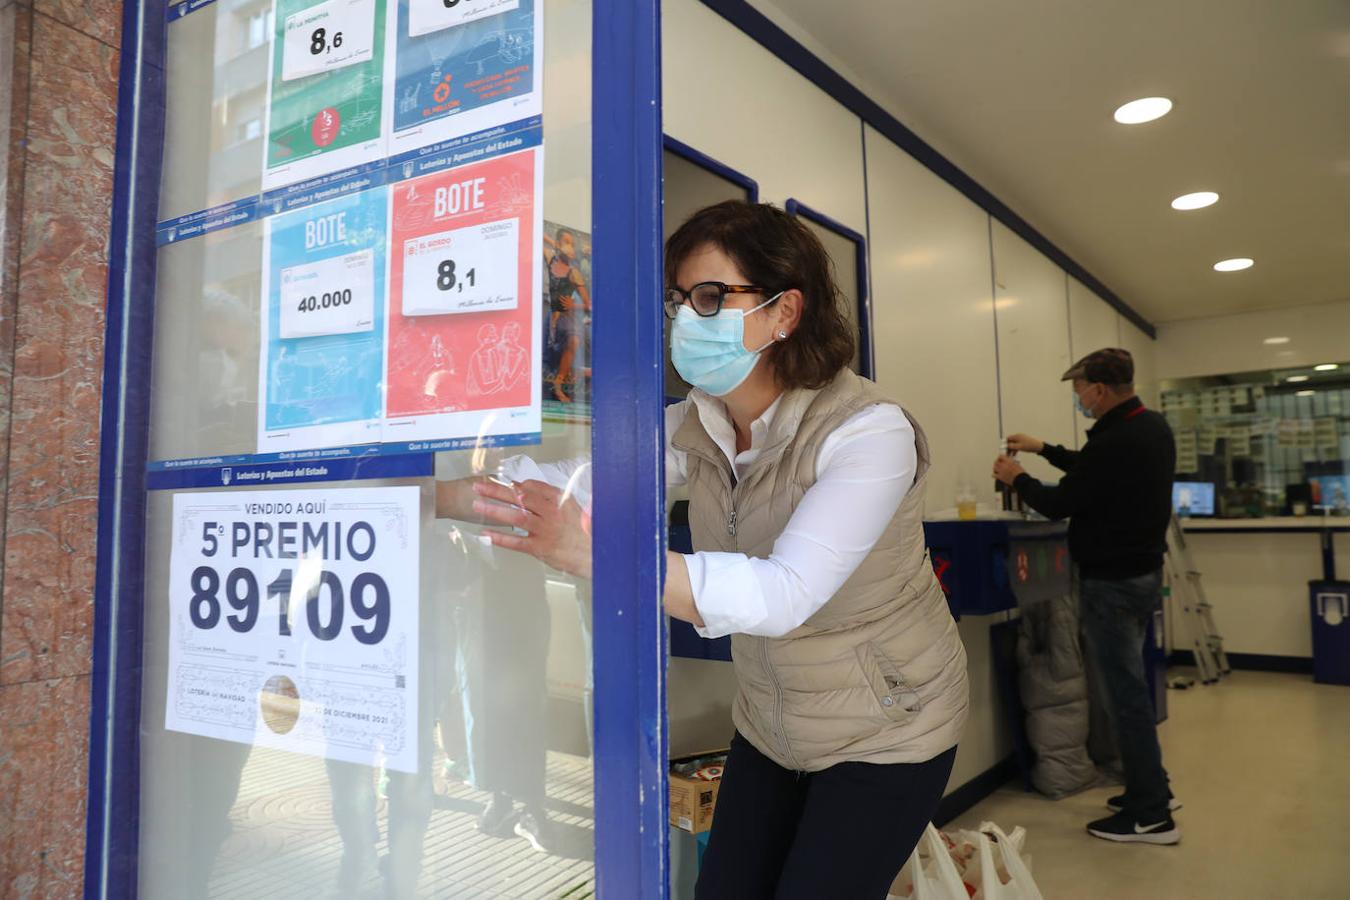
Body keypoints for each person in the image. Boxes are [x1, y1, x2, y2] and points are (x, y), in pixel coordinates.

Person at [439, 200, 969, 898]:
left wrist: (595, 553)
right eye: (679, 299)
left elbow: (785, 593)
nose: (687, 318)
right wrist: (421, 497)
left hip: (890, 729)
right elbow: (573, 488)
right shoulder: (697, 423)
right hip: (771, 723)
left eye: (712, 297)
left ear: (785, 312)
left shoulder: (870, 433)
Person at [992, 348, 1180, 845]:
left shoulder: (1117, 440)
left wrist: (1018, 478)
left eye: (1079, 390)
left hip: (1112, 585)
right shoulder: (1149, 427)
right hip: (1139, 578)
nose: (1079, 398)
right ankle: (1151, 786)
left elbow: (1061, 501)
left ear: (1098, 389)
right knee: (1130, 689)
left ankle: (1151, 814)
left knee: (1125, 698)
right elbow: (1092, 469)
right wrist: (1043, 448)